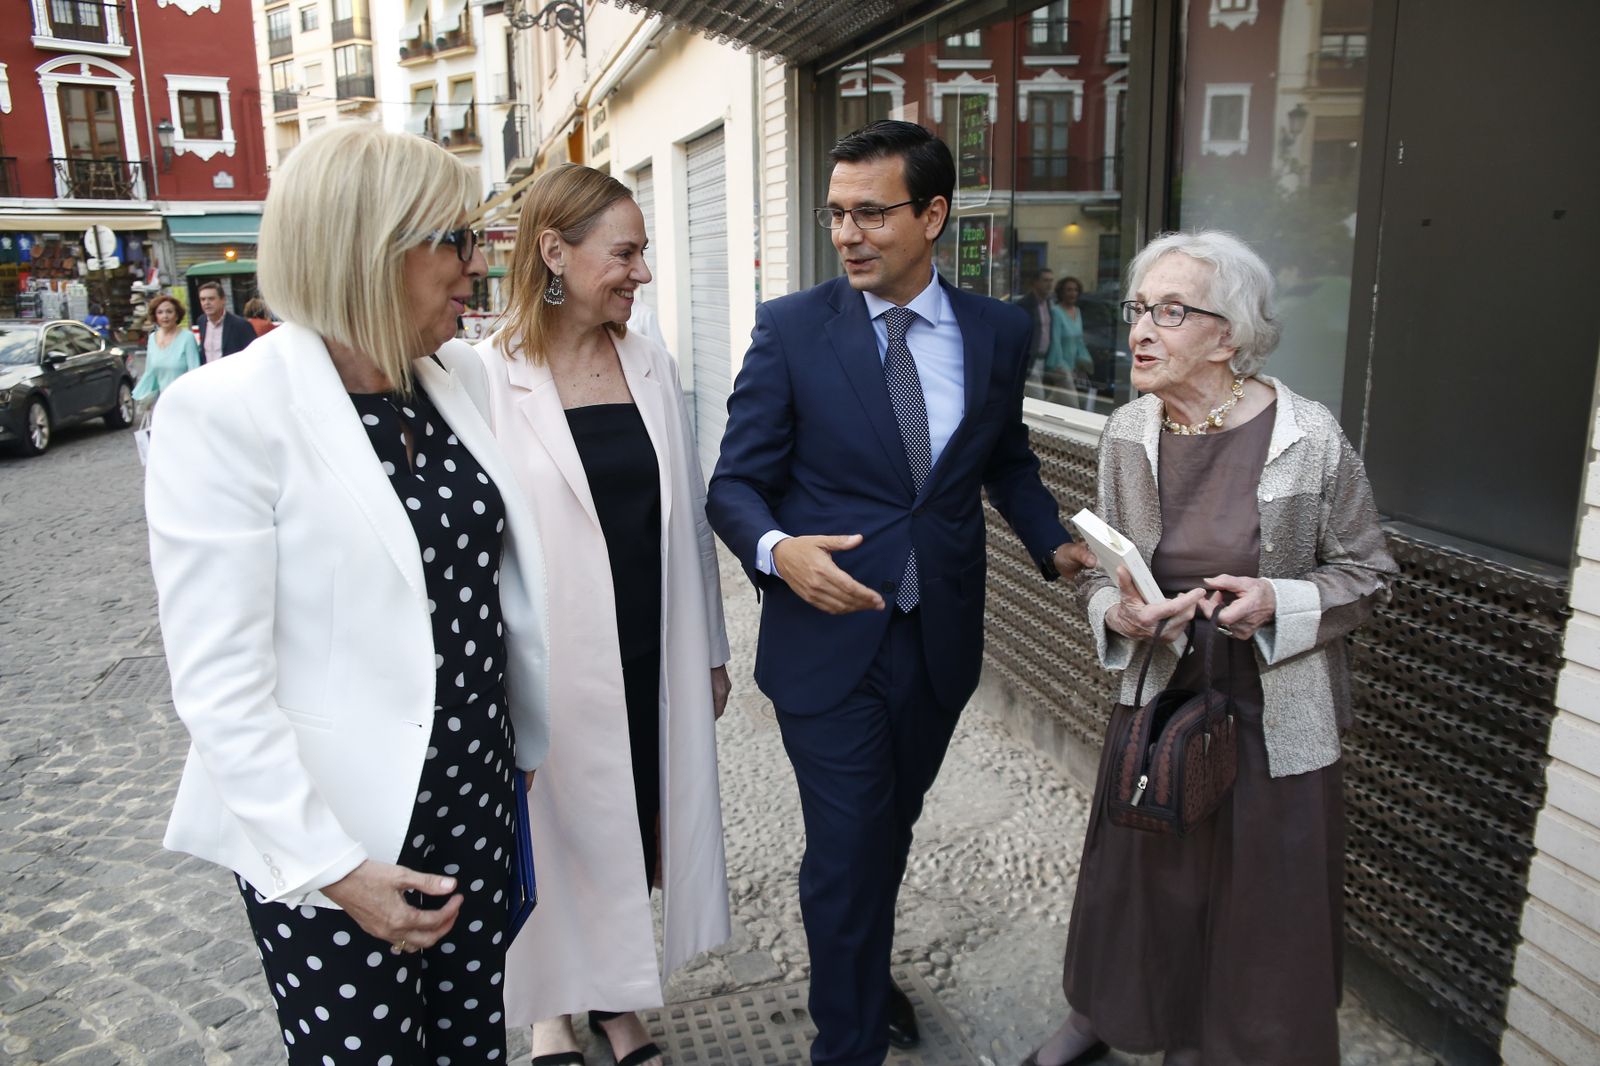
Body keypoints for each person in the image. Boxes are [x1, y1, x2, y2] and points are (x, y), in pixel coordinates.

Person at [145, 123, 551, 1065]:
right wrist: (334, 870)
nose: (473, 263)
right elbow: (220, 687)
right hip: (343, 840)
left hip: (477, 800)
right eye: (453, 239)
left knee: (470, 1046)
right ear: (371, 250)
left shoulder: (458, 379)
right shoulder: (225, 413)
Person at [707, 120, 1095, 1066]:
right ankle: (847, 1043)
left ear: (933, 216)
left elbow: (1003, 458)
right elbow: (732, 485)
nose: (849, 233)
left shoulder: (1000, 331)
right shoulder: (793, 329)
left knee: (889, 830)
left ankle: (861, 973)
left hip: (937, 639)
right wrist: (778, 551)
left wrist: (1054, 542)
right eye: (837, 213)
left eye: (872, 213)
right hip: (827, 644)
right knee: (847, 851)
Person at [1024, 230, 1398, 1066]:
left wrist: (1276, 600)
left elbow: (1370, 575)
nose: (1140, 331)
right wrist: (1114, 614)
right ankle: (1111, 1016)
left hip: (1274, 709)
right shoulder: (1128, 431)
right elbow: (1102, 566)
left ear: (1227, 336)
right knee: (1141, 874)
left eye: (1170, 311)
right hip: (1161, 696)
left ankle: (1226, 1044)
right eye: (1138, 310)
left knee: (1262, 895)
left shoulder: (1311, 437)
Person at [474, 163, 732, 1066]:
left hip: (647, 638)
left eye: (645, 253)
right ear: (555, 252)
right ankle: (550, 1008)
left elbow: (688, 512)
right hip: (546, 652)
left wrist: (710, 646)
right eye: (626, 253)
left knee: (634, 818)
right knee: (555, 827)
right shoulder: (484, 374)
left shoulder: (648, 358)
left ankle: (617, 1003)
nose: (643, 273)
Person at [131, 294, 200, 418]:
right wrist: (144, 397)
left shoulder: (187, 338)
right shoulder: (152, 338)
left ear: (177, 315)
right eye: (160, 312)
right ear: (155, 316)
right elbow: (150, 372)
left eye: (169, 311)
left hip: (184, 402)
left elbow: (194, 372)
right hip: (161, 403)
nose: (165, 316)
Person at [1043, 276, 1095, 405]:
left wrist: (1083, 363)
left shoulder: (1077, 311)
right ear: (1061, 292)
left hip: (1072, 367)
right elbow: (1055, 341)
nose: (1073, 293)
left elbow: (1079, 341)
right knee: (1073, 405)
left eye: (1075, 290)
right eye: (1069, 290)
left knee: (1056, 400)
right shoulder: (1056, 312)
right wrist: (1061, 366)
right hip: (1059, 366)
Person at [195, 280, 255, 362]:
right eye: (203, 299)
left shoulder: (241, 325)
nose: (206, 303)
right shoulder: (201, 321)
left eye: (211, 299)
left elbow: (252, 354)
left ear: (223, 300)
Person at [1016, 267, 1056, 381]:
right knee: (1039, 396)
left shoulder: (1049, 303)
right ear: (1035, 282)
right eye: (1045, 280)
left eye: (1051, 280)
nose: (1049, 284)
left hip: (1045, 360)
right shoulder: (1024, 304)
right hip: (1030, 361)